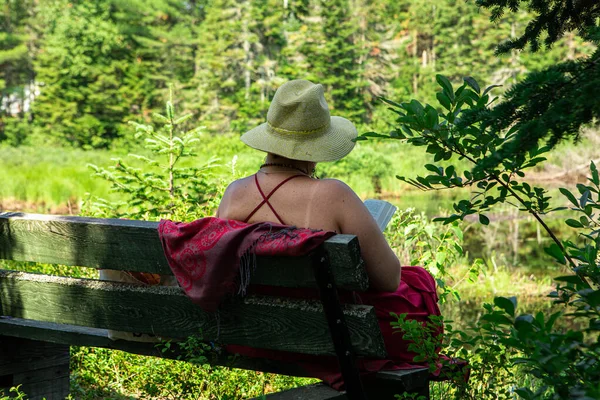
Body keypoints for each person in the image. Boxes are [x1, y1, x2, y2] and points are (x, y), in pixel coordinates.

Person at [216, 79, 401, 292]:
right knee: (419, 282)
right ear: (317, 148)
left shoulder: (234, 193)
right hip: (326, 323)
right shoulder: (335, 196)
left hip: (250, 323)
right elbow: (390, 279)